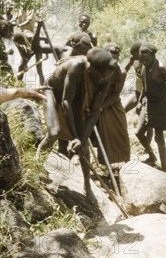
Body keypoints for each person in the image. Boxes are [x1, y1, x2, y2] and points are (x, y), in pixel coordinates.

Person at [36, 48, 116, 202]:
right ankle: (36, 164)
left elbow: (95, 111)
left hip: (76, 98)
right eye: (102, 77)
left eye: (107, 77)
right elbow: (66, 102)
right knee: (53, 133)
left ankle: (87, 186)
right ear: (92, 69)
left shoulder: (107, 74)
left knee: (84, 147)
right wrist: (74, 137)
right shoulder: (76, 66)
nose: (104, 80)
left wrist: (82, 139)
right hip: (52, 91)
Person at [136, 42, 166, 172]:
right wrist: (139, 101)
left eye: (146, 59)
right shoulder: (144, 67)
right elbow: (144, 85)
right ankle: (152, 156)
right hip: (148, 103)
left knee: (159, 137)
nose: (144, 62)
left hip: (161, 105)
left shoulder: (161, 68)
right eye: (142, 59)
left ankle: (164, 169)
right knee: (138, 133)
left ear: (153, 56)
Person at [95, 43, 130, 166]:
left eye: (117, 54)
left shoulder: (121, 72)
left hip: (111, 105)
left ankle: (122, 163)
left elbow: (115, 95)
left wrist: (100, 108)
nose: (114, 56)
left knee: (119, 133)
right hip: (95, 102)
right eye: (111, 53)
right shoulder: (96, 66)